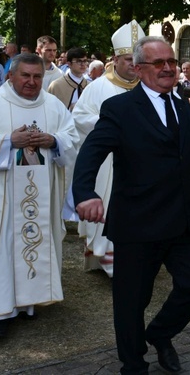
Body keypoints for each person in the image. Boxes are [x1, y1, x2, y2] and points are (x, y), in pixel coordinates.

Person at [72, 36, 190, 374]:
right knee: (131, 301)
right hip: (139, 222)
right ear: (139, 70)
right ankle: (133, 362)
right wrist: (85, 192)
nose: (169, 68)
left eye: (171, 61)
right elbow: (92, 151)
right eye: (159, 63)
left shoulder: (185, 109)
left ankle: (159, 333)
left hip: (185, 221)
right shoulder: (120, 109)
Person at [0, 53, 79, 338]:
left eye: (37, 76)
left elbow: (72, 138)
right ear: (10, 76)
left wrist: (54, 141)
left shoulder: (53, 105)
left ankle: (28, 302)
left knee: (34, 241)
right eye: (25, 76)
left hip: (41, 196)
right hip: (0, 197)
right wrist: (7, 142)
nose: (31, 82)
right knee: (1, 248)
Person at [69, 20, 143, 278]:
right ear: (115, 59)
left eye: (137, 60)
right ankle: (107, 256)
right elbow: (78, 117)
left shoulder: (148, 88)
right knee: (107, 204)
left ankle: (130, 256)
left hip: (138, 162)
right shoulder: (98, 87)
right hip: (106, 162)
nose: (133, 65)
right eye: (127, 59)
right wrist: (110, 127)